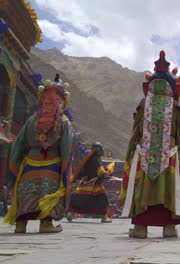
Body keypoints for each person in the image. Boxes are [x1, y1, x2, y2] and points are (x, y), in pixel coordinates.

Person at [119, 51, 180, 238]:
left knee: (145, 185)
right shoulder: (175, 107)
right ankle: (169, 227)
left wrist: (130, 154)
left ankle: (140, 228)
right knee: (169, 185)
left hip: (145, 151)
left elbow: (136, 133)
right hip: (170, 152)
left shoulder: (143, 106)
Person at [3, 74, 74, 233]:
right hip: (52, 166)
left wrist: (16, 166)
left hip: (29, 166)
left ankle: (21, 225)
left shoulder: (31, 121)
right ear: (62, 101)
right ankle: (46, 224)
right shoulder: (64, 122)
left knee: (27, 191)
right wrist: (65, 170)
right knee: (48, 192)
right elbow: (66, 148)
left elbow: (17, 146)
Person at [67, 142, 114, 223]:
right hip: (95, 184)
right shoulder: (96, 158)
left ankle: (71, 214)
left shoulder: (87, 158)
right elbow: (99, 170)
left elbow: (81, 171)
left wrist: (74, 179)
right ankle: (104, 217)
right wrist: (105, 175)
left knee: (79, 199)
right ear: (98, 150)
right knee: (102, 200)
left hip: (84, 184)